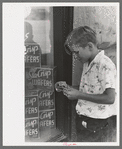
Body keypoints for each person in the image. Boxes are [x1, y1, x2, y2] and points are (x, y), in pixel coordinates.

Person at [63, 26, 117, 142]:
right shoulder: (87, 62)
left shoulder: (105, 65)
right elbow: (89, 88)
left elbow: (110, 98)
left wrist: (78, 95)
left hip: (99, 123)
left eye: (77, 53)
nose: (75, 57)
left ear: (90, 46)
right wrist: (69, 88)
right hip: (86, 120)